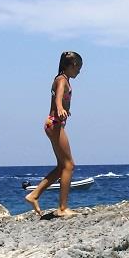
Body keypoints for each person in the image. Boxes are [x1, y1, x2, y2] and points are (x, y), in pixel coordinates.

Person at [25, 51, 83, 218]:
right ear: (72, 65)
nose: (79, 72)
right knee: (69, 165)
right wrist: (60, 108)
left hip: (54, 123)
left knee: (61, 167)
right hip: (55, 124)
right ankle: (62, 208)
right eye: (78, 68)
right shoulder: (61, 80)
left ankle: (34, 195)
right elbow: (58, 97)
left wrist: (64, 110)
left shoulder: (64, 79)